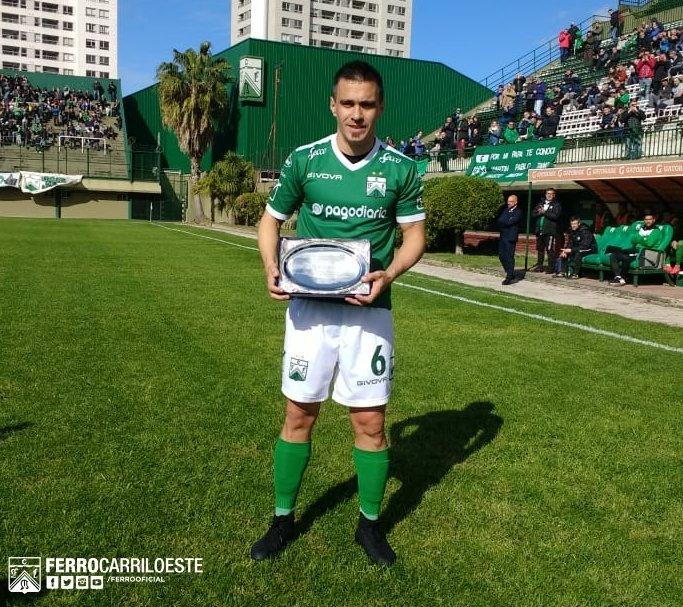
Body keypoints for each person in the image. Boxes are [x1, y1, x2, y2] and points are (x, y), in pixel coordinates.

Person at [252, 60, 426, 567]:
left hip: (370, 313)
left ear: (380, 107)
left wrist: (390, 274)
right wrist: (270, 266)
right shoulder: (305, 160)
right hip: (309, 312)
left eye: (366, 104)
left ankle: (369, 526)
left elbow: (414, 236)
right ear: (333, 105)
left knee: (370, 422)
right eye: (347, 103)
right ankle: (282, 518)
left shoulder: (400, 168)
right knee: (298, 414)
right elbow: (270, 221)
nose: (356, 114)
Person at [608, 211, 662, 285]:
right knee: (613, 255)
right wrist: (643, 238)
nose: (648, 221)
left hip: (645, 253)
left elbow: (649, 243)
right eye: (646, 219)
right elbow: (633, 240)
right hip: (636, 251)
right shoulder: (642, 229)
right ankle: (618, 277)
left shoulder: (656, 231)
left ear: (653, 220)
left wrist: (640, 239)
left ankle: (621, 278)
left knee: (625, 257)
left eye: (650, 219)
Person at [531, 188, 562, 273]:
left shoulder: (556, 205)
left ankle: (551, 268)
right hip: (540, 231)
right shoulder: (540, 204)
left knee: (549, 250)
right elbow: (533, 214)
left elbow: (555, 216)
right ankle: (539, 266)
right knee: (540, 249)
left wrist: (545, 212)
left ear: (554, 195)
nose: (549, 195)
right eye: (548, 193)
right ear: (545, 194)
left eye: (551, 194)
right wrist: (539, 212)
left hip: (549, 231)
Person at [496, 194, 522, 285]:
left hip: (511, 237)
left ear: (515, 202)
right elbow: (500, 221)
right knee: (501, 256)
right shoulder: (505, 210)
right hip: (503, 236)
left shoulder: (518, 212)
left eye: (510, 201)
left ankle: (509, 277)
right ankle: (510, 272)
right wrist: (506, 220)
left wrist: (506, 221)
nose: (508, 203)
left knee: (509, 256)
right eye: (508, 201)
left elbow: (511, 222)